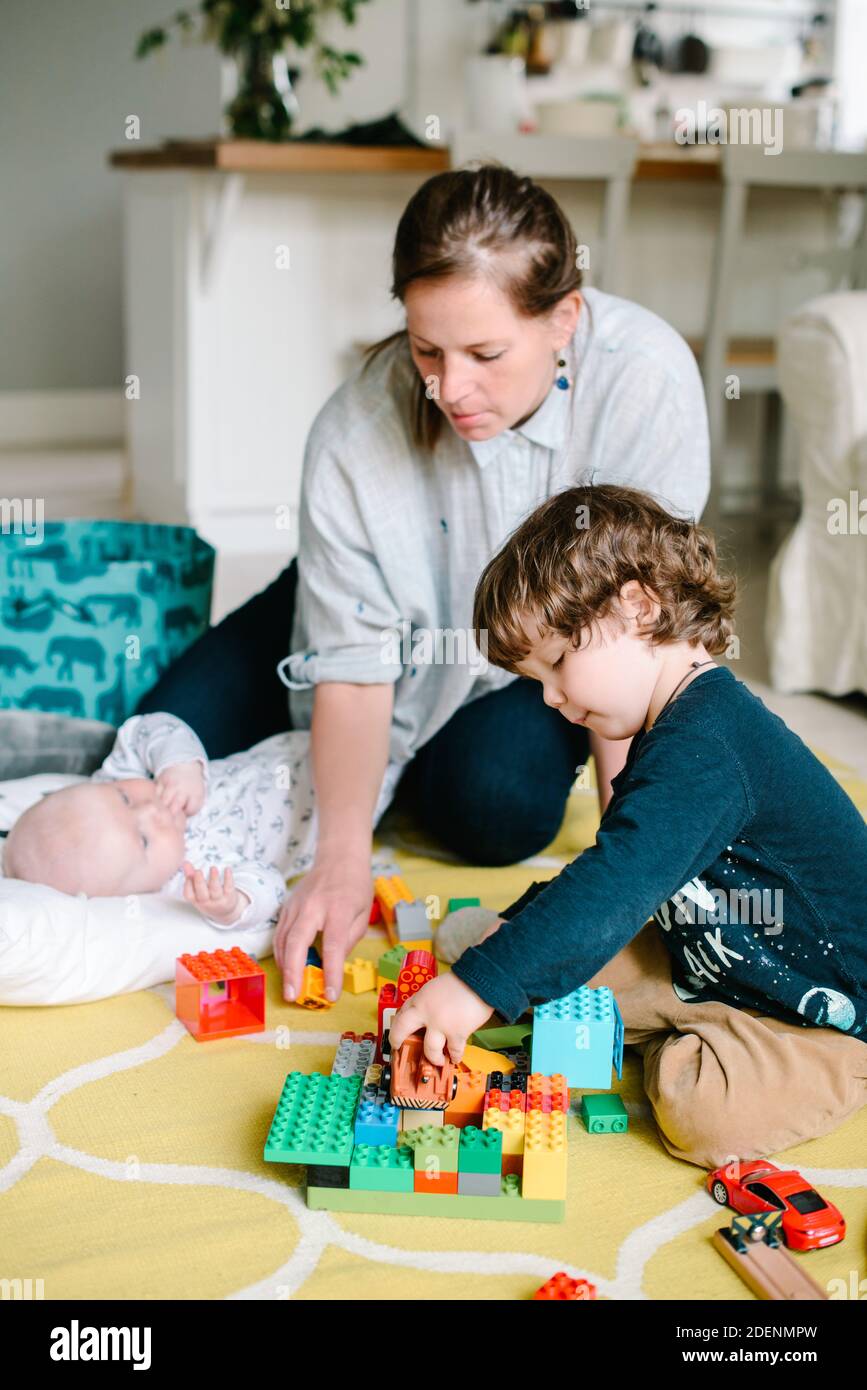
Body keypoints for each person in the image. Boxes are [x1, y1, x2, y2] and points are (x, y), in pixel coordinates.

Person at [137, 163, 710, 1004]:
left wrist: (632, 860)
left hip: (545, 653)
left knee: (497, 810)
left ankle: (418, 765)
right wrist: (338, 862)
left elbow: (637, 649)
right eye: (424, 350)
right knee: (150, 752)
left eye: (483, 353)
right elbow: (353, 673)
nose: (449, 388)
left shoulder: (644, 381)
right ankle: (374, 759)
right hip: (367, 610)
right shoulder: (355, 429)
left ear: (563, 320)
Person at [390, 485, 867, 1168]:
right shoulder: (671, 725)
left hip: (821, 1010)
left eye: (557, 663)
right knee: (527, 954)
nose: (551, 698)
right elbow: (619, 866)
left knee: (701, 1117)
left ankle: (701, 1035)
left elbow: (619, 884)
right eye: (537, 681)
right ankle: (680, 1010)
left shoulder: (713, 746)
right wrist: (520, 933)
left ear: (639, 606)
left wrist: (475, 988)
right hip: (715, 949)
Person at [2, 713, 317, 929]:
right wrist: (233, 905)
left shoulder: (127, 774)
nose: (152, 810)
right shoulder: (187, 881)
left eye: (125, 799)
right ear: (133, 892)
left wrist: (178, 764)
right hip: (329, 821)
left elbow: (150, 726)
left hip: (309, 744)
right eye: (143, 840)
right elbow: (270, 883)